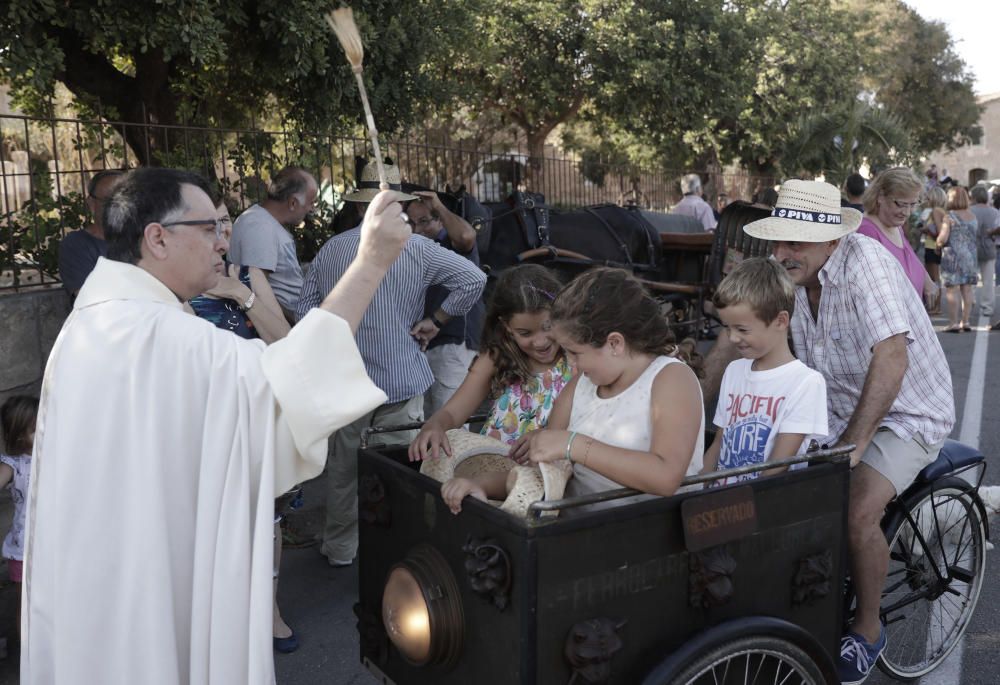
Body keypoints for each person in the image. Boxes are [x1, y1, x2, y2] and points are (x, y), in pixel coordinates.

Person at [22, 167, 413, 684]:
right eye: (209, 228)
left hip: (102, 586)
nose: (223, 241)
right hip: (147, 589)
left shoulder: (100, 317)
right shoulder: (155, 332)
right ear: (157, 238)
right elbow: (290, 389)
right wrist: (372, 262)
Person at [743, 179, 954, 685]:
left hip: (909, 411)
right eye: (778, 241)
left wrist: (856, 445)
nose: (782, 253)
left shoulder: (868, 265)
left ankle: (867, 629)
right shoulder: (787, 271)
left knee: (857, 509)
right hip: (833, 409)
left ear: (832, 241)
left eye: (795, 242)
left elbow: (892, 356)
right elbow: (745, 330)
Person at [297, 158, 487, 568]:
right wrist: (435, 322)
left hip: (347, 381)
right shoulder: (416, 247)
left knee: (345, 470)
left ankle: (342, 548)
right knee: (403, 472)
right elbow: (474, 279)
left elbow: (305, 309)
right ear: (397, 203)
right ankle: (404, 545)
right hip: (402, 377)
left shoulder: (332, 249)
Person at [442, 267, 705, 515]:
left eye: (575, 353)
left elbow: (666, 477)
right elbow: (543, 474)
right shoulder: (580, 387)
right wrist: (481, 485)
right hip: (578, 530)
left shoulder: (670, 378)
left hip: (651, 534)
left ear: (614, 343)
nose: (571, 364)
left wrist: (573, 444)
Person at [186, 198, 298, 653]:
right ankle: (217, 617)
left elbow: (286, 343)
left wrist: (240, 293)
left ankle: (268, 608)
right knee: (213, 520)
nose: (222, 236)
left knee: (265, 515)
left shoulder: (248, 275)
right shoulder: (177, 288)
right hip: (206, 419)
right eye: (211, 226)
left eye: (226, 224)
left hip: (256, 414)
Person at [410, 264, 571, 463]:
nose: (540, 342)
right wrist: (436, 424)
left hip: (545, 474)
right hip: (492, 467)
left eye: (548, 327)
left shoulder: (576, 359)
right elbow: (452, 412)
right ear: (507, 327)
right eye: (525, 333)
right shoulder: (497, 356)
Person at [701, 258, 827, 484]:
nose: (732, 338)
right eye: (727, 328)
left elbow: (779, 465)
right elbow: (720, 442)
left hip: (768, 504)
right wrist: (698, 487)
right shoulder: (734, 371)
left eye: (742, 329)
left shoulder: (806, 383)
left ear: (780, 321)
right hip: (721, 503)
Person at [406, 191, 487, 416]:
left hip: (451, 344)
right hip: (421, 345)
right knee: (424, 423)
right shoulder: (414, 248)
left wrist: (438, 205)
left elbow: (467, 236)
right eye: (411, 223)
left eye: (424, 221)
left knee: (449, 425)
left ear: (440, 220)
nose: (417, 229)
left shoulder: (451, 243)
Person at [227, 166, 318, 323]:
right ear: (293, 203)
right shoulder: (260, 227)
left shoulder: (263, 222)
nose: (311, 209)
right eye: (311, 202)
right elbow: (257, 290)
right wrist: (295, 325)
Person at [856, 168, 939, 306]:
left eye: (913, 205)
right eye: (901, 204)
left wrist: (927, 281)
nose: (907, 212)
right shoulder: (867, 231)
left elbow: (909, 258)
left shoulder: (894, 224)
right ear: (880, 197)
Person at [0, 395, 38, 638]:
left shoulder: (55, 457)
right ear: (19, 435)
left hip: (54, 548)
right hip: (23, 550)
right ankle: (28, 657)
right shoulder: (14, 464)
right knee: (25, 607)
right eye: (36, 429)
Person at [57, 169, 123, 298]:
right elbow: (92, 300)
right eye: (109, 201)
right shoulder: (76, 246)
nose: (118, 206)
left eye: (125, 199)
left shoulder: (146, 239)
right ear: (92, 204)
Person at [936, 186, 979, 332]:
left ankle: (953, 323)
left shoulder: (949, 217)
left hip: (952, 257)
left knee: (951, 290)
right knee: (967, 290)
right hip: (970, 257)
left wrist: (938, 243)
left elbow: (943, 238)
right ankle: (965, 322)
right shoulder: (973, 217)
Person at [969, 185, 1000, 323]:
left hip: (972, 248)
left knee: (971, 280)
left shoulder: (969, 211)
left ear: (973, 196)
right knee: (988, 280)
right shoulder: (994, 212)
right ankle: (987, 307)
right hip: (989, 247)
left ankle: (969, 304)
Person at [919, 186, 947, 299]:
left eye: (928, 197)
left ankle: (936, 305)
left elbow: (940, 232)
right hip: (932, 246)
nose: (926, 199)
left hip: (932, 247)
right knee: (933, 277)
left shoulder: (936, 211)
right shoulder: (941, 211)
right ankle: (935, 305)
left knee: (933, 278)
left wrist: (926, 230)